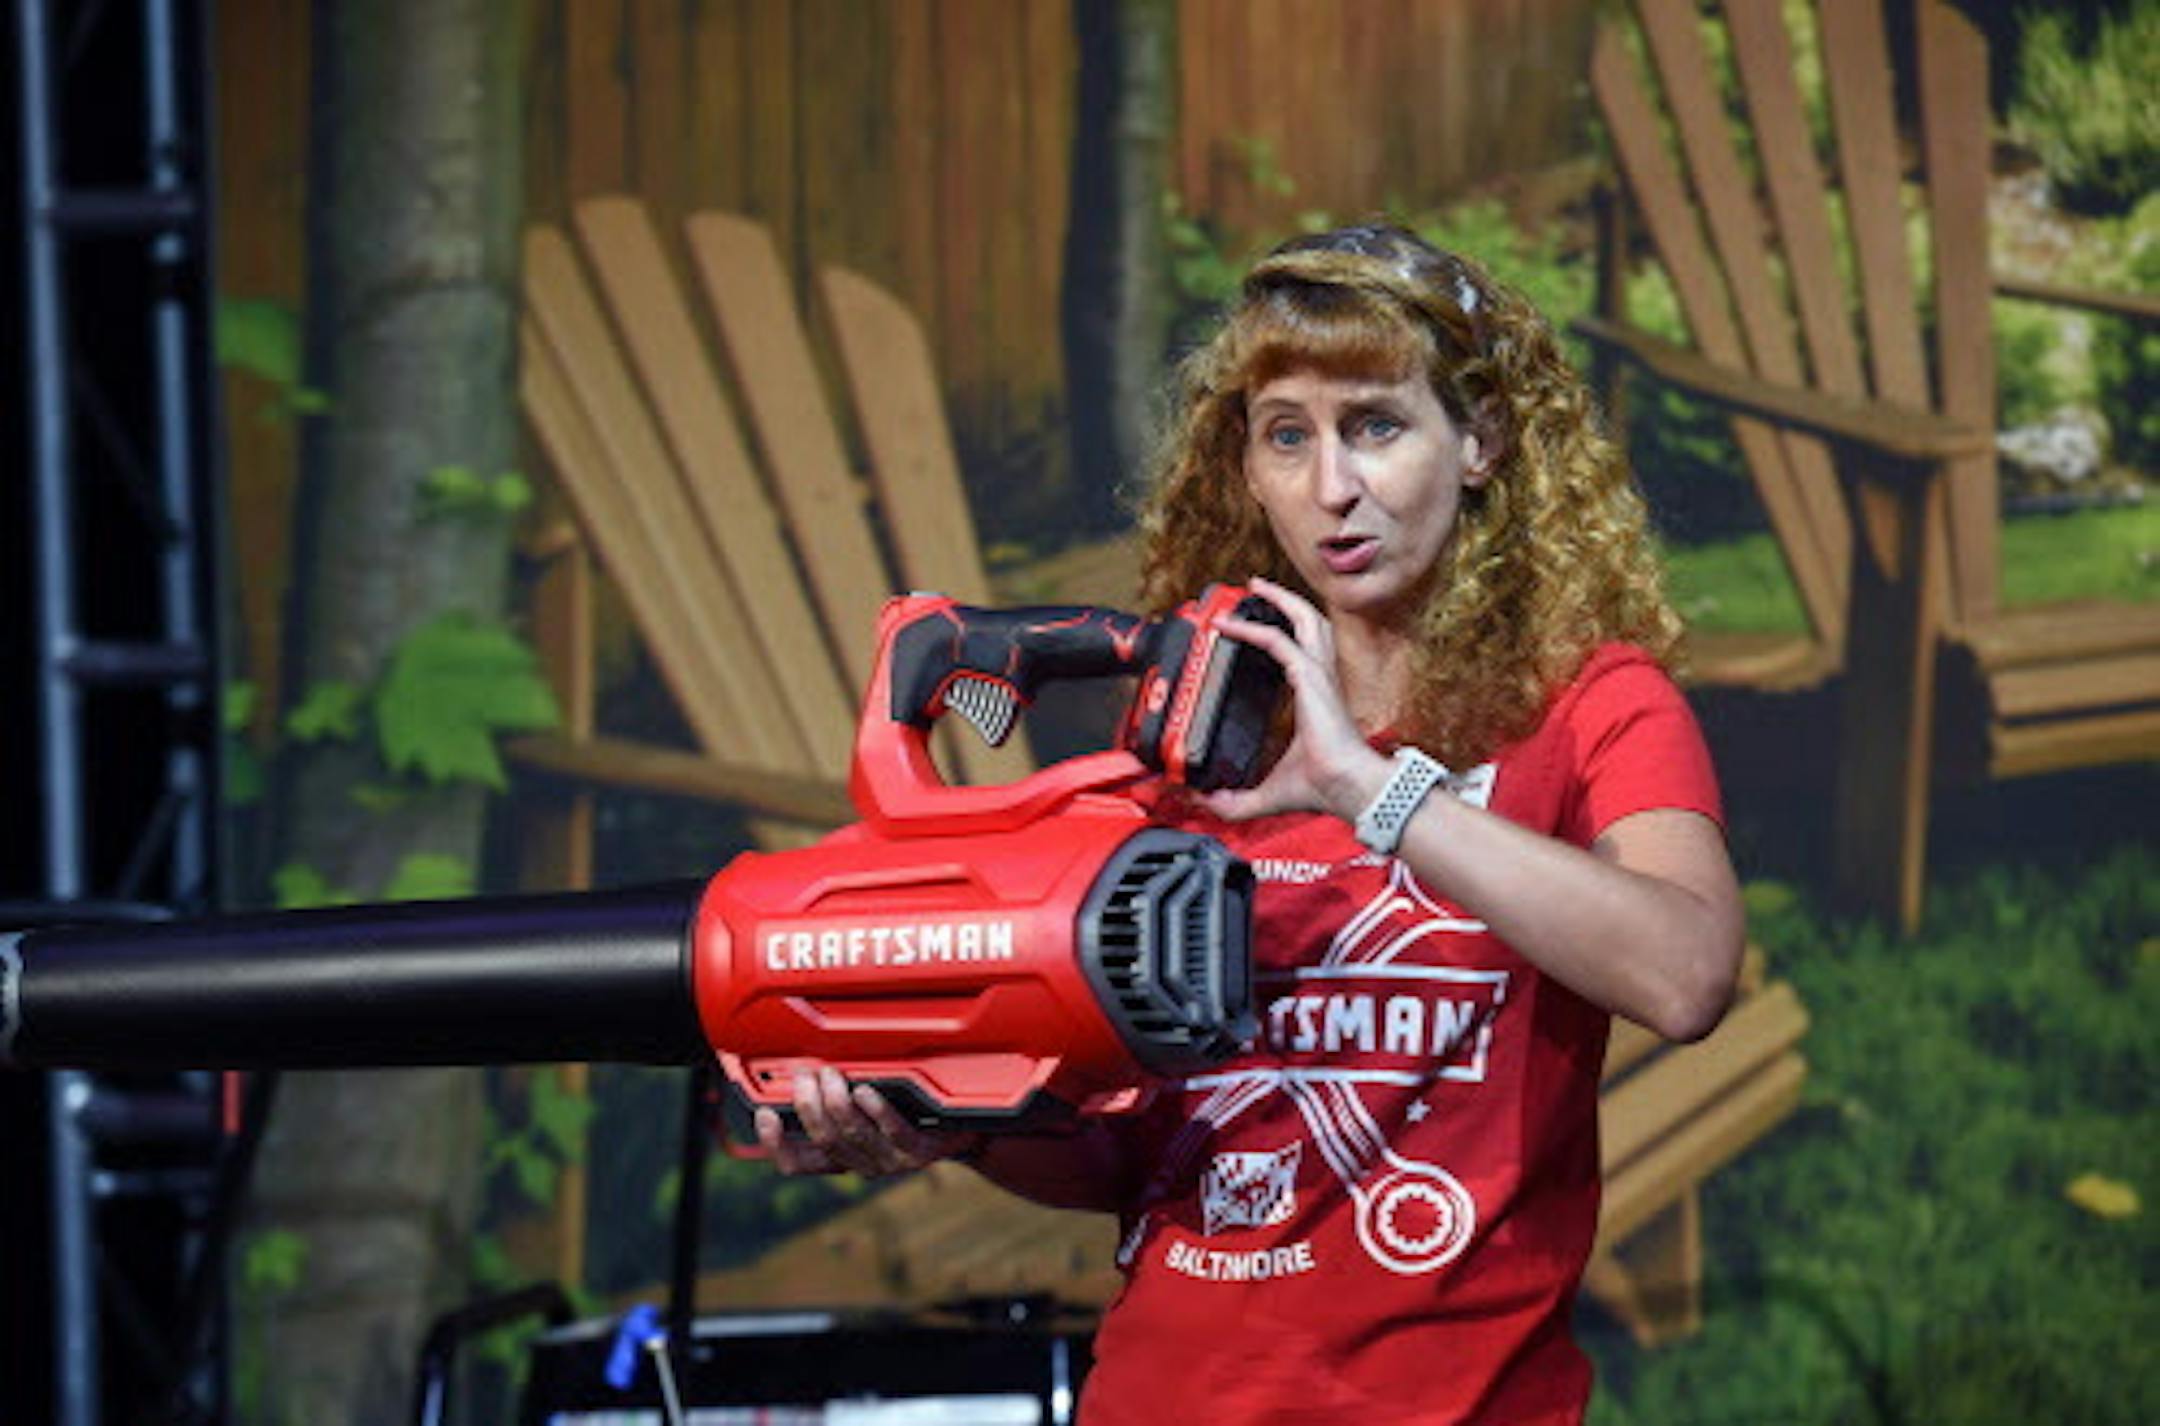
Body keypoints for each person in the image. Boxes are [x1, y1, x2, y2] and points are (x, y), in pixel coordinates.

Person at [757, 222, 1744, 1425]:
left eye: (1375, 426)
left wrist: (1367, 789)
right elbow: (1134, 1153)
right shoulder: (1200, 729)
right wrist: (947, 1128)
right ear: (1248, 466)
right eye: (1288, 435)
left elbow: (1685, 973)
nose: (1332, 488)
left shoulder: (1588, 706)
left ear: (1480, 438)